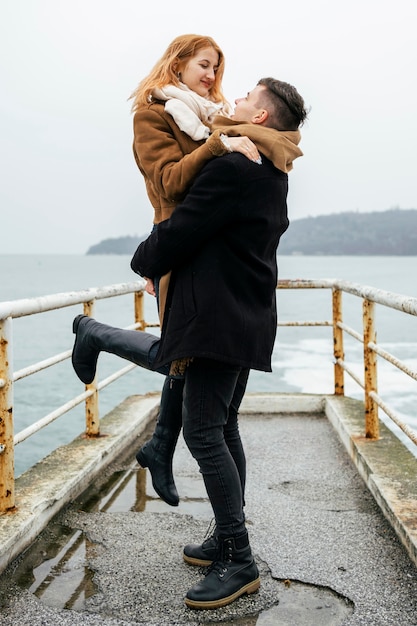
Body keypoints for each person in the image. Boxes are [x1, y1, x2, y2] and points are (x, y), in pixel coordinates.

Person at [72, 76, 308, 609]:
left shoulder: (234, 166)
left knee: (203, 433)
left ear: (262, 118)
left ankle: (239, 559)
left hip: (214, 316)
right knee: (222, 426)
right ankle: (228, 539)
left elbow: (184, 227)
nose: (237, 100)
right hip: (245, 315)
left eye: (248, 97)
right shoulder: (274, 169)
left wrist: (144, 264)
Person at [127, 34, 263, 508]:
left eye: (216, 70)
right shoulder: (153, 115)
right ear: (178, 64)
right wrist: (218, 147)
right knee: (179, 355)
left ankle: (161, 446)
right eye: (204, 66)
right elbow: (168, 182)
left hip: (209, 251)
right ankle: (95, 335)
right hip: (179, 245)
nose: (211, 77)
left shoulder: (210, 116)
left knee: (197, 376)